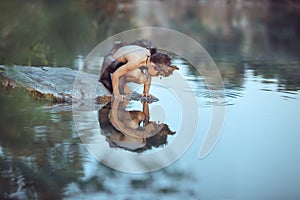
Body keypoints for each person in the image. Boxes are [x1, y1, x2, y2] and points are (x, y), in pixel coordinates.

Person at [99, 40, 178, 100]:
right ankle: (120, 84)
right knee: (135, 74)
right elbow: (116, 74)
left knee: (142, 76)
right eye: (158, 74)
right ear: (152, 65)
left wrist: (146, 92)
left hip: (123, 61)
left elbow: (148, 76)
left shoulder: (148, 59)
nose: (157, 76)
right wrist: (116, 94)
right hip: (110, 61)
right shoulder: (137, 61)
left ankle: (122, 83)